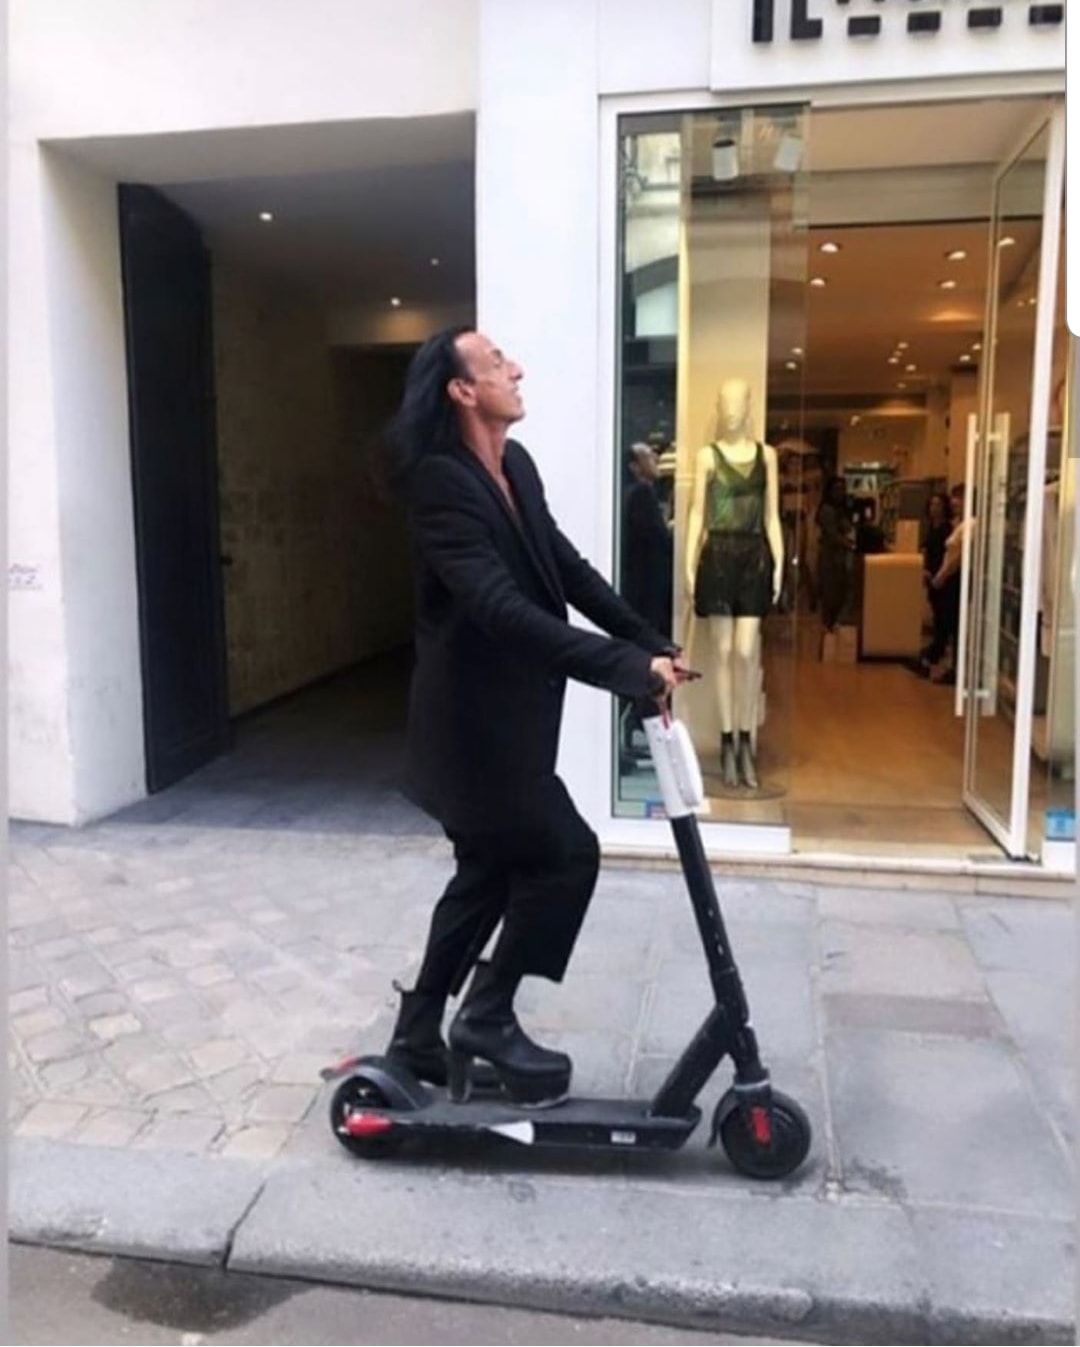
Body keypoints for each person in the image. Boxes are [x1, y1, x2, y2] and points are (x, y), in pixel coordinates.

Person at [381, 326, 683, 1107]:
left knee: (486, 873)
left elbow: (565, 569)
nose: (516, 369)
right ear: (462, 390)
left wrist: (647, 642)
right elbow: (501, 611)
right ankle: (485, 1016)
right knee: (565, 854)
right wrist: (622, 670)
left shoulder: (515, 466)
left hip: (511, 724)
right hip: (470, 733)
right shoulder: (439, 485)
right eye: (496, 363)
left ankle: (416, 1036)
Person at [930, 482, 975, 686]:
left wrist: (941, 576)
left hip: (955, 580)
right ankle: (953, 666)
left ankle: (957, 669)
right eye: (954, 498)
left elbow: (958, 556)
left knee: (955, 624)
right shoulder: (961, 524)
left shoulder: (970, 525)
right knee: (951, 624)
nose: (955, 502)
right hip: (951, 579)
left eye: (960, 498)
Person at [920, 491, 953, 671]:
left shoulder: (947, 529)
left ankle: (937, 650)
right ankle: (936, 648)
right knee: (936, 612)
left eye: (938, 505)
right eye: (932, 505)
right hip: (930, 575)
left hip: (941, 577)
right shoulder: (931, 528)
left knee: (942, 614)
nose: (934, 508)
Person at [816, 476, 854, 633]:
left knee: (838, 592)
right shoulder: (827, 510)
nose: (840, 492)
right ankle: (829, 625)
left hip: (838, 557)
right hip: (830, 557)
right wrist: (848, 544)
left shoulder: (840, 510)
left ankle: (832, 625)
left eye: (842, 489)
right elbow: (832, 534)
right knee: (831, 593)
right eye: (837, 489)